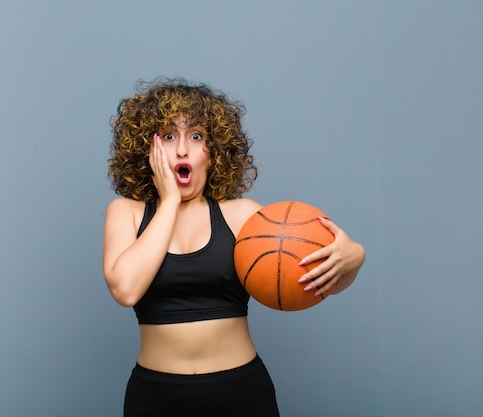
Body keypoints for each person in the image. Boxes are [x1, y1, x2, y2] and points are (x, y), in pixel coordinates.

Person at [103, 78, 365, 417]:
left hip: (241, 393)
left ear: (213, 151)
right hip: (156, 398)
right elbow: (125, 290)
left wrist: (353, 258)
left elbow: (315, 280)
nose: (182, 150)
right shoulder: (126, 212)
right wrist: (168, 203)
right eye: (168, 136)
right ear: (147, 148)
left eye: (196, 136)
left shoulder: (242, 215)